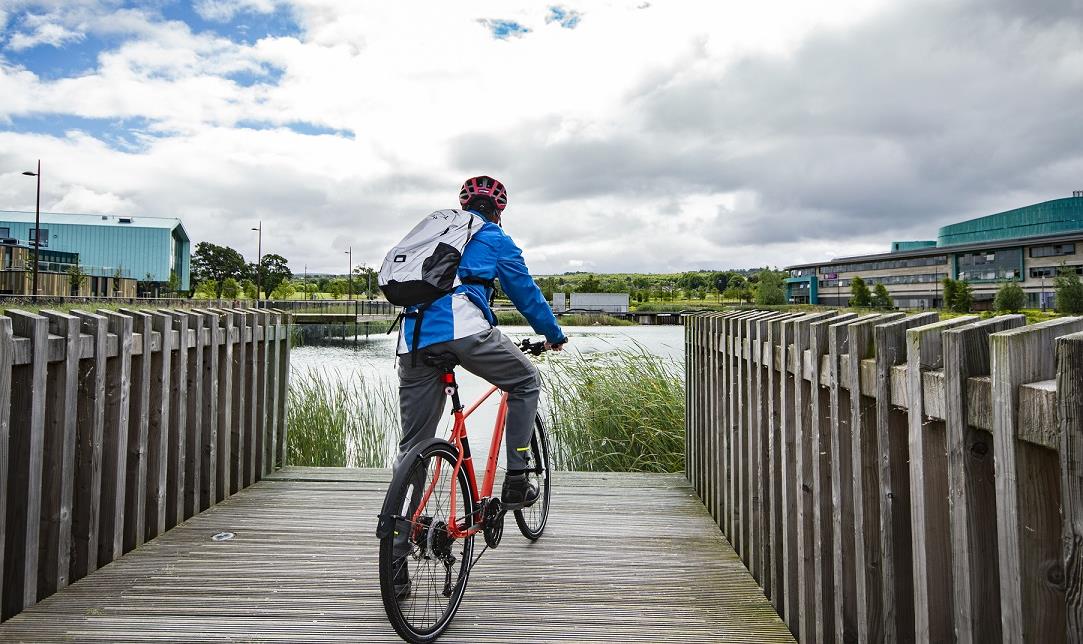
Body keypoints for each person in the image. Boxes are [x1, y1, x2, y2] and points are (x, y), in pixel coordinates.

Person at [392, 175, 567, 597]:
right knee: (526, 379)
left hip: (412, 340)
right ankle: (517, 475)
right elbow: (525, 293)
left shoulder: (436, 233)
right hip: (464, 330)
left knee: (414, 448)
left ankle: (395, 562)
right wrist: (554, 334)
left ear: (462, 205)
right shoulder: (493, 237)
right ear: (499, 211)